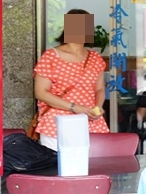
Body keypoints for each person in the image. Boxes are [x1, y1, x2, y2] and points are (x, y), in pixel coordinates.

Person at [33, 8, 108, 150]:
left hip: (90, 121)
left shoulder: (95, 58)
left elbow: (99, 89)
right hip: (56, 123)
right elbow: (41, 92)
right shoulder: (51, 56)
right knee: (58, 168)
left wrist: (98, 107)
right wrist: (75, 107)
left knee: (91, 167)